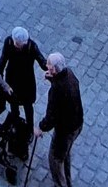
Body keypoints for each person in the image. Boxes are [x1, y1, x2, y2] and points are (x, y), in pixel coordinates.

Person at [35, 52, 84, 187]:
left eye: (49, 65)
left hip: (65, 130)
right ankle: (68, 181)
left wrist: (40, 128)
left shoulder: (56, 90)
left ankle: (61, 184)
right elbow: (63, 85)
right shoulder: (70, 74)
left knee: (55, 159)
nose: (46, 66)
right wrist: (53, 79)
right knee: (65, 154)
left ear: (54, 70)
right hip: (77, 123)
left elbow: (51, 117)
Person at [0, 26, 48, 130]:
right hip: (12, 79)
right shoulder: (9, 42)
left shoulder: (31, 46)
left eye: (19, 45)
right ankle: (15, 123)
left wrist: (50, 67)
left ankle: (29, 128)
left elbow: (42, 61)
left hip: (27, 81)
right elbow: (3, 61)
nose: (18, 47)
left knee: (28, 106)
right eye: (16, 44)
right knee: (13, 104)